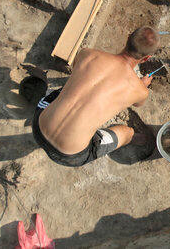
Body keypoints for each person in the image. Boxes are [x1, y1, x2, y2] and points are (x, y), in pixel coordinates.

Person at [32, 27, 159, 167]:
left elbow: (76, 68)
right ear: (146, 58)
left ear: (128, 37)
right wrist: (142, 85)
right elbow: (138, 104)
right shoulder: (139, 90)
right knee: (127, 132)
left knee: (72, 87)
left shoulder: (87, 54)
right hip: (69, 154)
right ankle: (137, 139)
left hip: (38, 126)